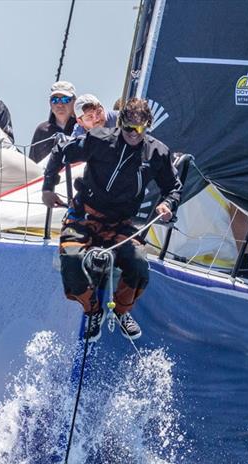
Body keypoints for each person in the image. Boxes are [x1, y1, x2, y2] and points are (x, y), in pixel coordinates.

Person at [42, 98, 182, 342]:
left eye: (140, 129)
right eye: (129, 128)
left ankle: (121, 311)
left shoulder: (157, 152)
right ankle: (92, 310)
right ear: (120, 123)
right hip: (85, 216)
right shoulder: (99, 140)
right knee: (71, 260)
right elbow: (60, 151)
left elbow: (173, 187)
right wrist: (47, 187)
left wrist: (167, 204)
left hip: (121, 224)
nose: (134, 134)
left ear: (147, 125)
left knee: (138, 265)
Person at [29, 81, 77, 163]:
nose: (60, 105)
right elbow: (33, 164)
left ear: (74, 102)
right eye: (55, 100)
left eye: (65, 100)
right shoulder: (41, 130)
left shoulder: (83, 126)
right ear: (50, 103)